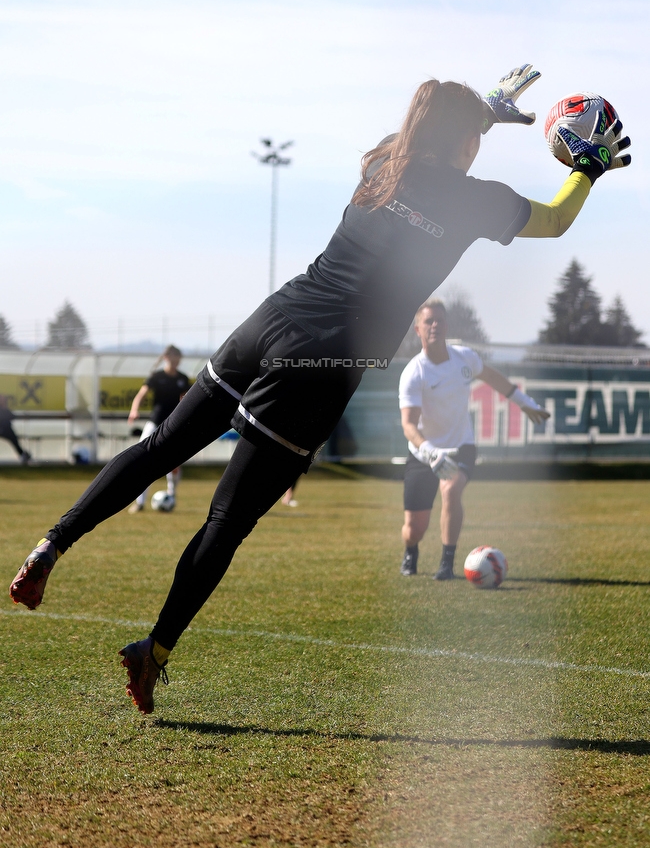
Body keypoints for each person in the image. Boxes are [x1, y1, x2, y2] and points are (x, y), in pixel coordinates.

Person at [9, 65, 631, 715]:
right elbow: (557, 219)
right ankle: (155, 651)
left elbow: (424, 135)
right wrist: (586, 164)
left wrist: (484, 111)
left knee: (163, 444)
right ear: (466, 140)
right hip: (326, 360)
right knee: (228, 516)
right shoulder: (474, 200)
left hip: (271, 318)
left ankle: (51, 544)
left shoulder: (381, 165)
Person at [399, 298, 549, 580]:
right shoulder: (413, 372)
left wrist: (524, 402)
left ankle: (447, 563)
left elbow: (494, 378)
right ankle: (411, 551)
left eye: (439, 320)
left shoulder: (464, 358)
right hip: (423, 454)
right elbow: (408, 425)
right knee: (414, 529)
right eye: (428, 321)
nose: (434, 326)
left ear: (446, 326)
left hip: (461, 447)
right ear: (417, 329)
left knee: (451, 489)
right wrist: (431, 452)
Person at [126, 345, 190, 512]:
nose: (176, 360)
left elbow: (187, 401)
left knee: (173, 464)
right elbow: (141, 395)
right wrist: (134, 410)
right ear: (166, 358)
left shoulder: (182, 378)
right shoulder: (156, 376)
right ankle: (139, 502)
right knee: (142, 459)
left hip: (174, 426)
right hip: (154, 423)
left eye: (179, 358)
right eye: (173, 357)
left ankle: (171, 495)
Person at [0, 395, 31, 464]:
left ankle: (23, 455)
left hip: (6, 430)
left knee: (14, 441)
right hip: (5, 429)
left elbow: (12, 416)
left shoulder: (4, 410)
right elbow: (12, 416)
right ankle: (23, 455)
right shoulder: (3, 410)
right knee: (14, 441)